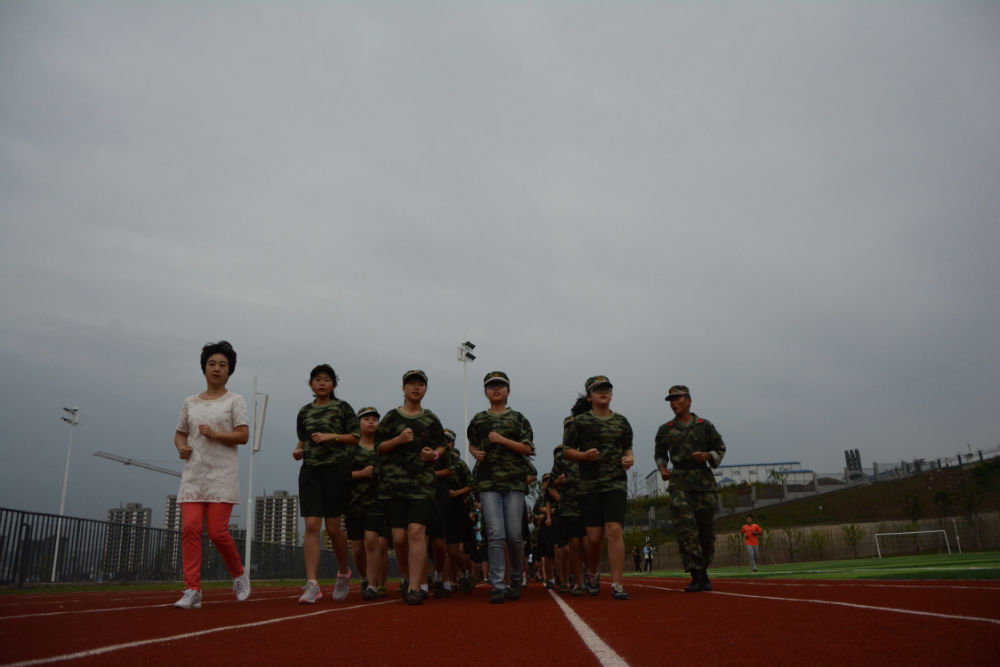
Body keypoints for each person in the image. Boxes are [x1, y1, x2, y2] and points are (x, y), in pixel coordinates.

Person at [173, 340, 251, 609]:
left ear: (229, 371)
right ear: (204, 368)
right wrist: (181, 447)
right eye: (212, 364)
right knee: (190, 529)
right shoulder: (190, 402)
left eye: (223, 365)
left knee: (217, 533)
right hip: (194, 475)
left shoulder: (235, 400)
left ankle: (238, 573)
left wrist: (216, 434)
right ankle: (192, 589)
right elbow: (180, 433)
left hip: (222, 474)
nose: (217, 369)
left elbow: (243, 435)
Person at [375, 369, 446, 606]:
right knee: (399, 539)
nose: (416, 388)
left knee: (416, 532)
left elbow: (442, 446)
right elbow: (378, 448)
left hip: (422, 484)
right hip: (394, 486)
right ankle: (407, 578)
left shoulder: (431, 419)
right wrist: (398, 440)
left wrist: (433, 454)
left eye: (421, 384)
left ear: (425, 389)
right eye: (412, 384)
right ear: (403, 388)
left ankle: (415, 587)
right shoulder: (391, 418)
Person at [292, 364, 360, 604]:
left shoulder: (342, 408)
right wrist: (298, 451)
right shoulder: (304, 411)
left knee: (332, 528)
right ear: (311, 384)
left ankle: (343, 571)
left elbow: (355, 437)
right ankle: (312, 583)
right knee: (311, 526)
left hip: (336, 470)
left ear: (334, 384)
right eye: (317, 379)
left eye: (326, 380)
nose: (322, 383)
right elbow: (302, 439)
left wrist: (332, 436)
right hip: (310, 471)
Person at [563, 375, 634, 601]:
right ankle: (593, 572)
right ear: (589, 396)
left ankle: (617, 583)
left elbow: (628, 449)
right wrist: (584, 456)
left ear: (611, 394)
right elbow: (567, 451)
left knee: (614, 529)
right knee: (594, 538)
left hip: (615, 483)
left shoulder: (622, 422)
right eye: (598, 389)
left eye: (607, 389)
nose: (603, 392)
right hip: (589, 485)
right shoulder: (580, 422)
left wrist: (629, 459)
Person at [468, 371, 534, 604]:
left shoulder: (518, 418)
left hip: (514, 482)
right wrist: (475, 452)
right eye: (491, 386)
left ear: (508, 391)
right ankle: (497, 584)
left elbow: (527, 448)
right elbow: (472, 443)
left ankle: (515, 578)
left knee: (514, 536)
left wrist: (502, 440)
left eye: (500, 385)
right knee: (495, 534)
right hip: (488, 483)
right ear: (485, 392)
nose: (496, 389)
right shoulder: (479, 419)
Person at [654, 385, 726, 593]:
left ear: (688, 400)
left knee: (706, 531)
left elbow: (720, 448)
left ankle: (703, 568)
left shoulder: (705, 426)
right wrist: (662, 468)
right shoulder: (665, 429)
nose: (673, 403)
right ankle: (697, 574)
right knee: (686, 530)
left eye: (677, 399)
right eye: (671, 400)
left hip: (704, 482)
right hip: (679, 482)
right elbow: (660, 454)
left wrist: (708, 456)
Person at [349, 406, 387, 601]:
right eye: (366, 418)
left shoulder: (383, 449)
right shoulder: (351, 448)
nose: (371, 422)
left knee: (372, 541)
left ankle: (373, 585)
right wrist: (360, 474)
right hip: (353, 503)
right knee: (357, 549)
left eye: (374, 419)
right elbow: (339, 475)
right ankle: (364, 578)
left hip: (376, 503)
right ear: (358, 423)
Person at [551, 416, 586, 596]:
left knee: (589, 542)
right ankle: (578, 583)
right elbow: (552, 483)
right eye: (567, 428)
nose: (570, 430)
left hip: (589, 503)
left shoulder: (589, 451)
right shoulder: (561, 456)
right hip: (570, 506)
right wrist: (559, 483)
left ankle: (589, 574)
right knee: (574, 544)